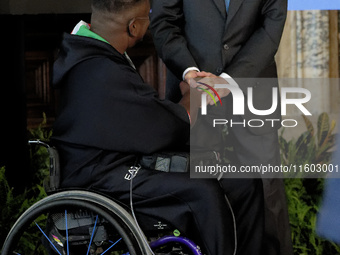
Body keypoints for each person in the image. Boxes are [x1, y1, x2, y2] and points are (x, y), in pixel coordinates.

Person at [50, 0, 265, 254]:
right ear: (133, 27)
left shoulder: (93, 52)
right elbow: (166, 127)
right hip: (100, 175)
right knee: (202, 191)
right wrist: (193, 96)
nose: (150, 22)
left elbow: (146, 119)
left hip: (118, 160)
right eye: (147, 17)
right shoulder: (99, 68)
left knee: (240, 178)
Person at [149, 0, 293, 255]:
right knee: (202, 192)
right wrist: (189, 72)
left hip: (253, 89)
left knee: (265, 191)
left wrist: (228, 81)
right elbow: (164, 20)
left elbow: (272, 24)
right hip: (192, 91)